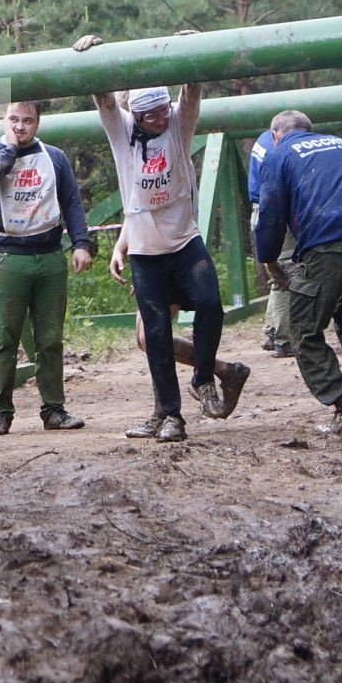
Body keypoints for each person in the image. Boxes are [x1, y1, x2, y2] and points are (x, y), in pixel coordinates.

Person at [83, 70, 248, 442]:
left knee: (209, 305)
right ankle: (170, 415)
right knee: (154, 335)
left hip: (185, 242)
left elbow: (190, 94)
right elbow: (105, 100)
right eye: (151, 115)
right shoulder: (123, 134)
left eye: (163, 110)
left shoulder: (177, 126)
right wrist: (95, 61)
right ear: (136, 118)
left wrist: (191, 60)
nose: (160, 119)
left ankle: (204, 379)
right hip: (146, 253)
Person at [252, 110, 342, 434]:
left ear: (276, 134)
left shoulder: (278, 155)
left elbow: (270, 215)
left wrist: (269, 259)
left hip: (326, 246)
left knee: (303, 331)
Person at [0, 100, 93, 435]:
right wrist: (9, 147)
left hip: (50, 256)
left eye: (27, 120)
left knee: (50, 339)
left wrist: (81, 243)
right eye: (13, 120)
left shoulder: (55, 157)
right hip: (6, 259)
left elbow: (71, 201)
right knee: (4, 339)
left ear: (38, 123)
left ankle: (54, 410)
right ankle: (0, 412)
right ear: (3, 121)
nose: (20, 126)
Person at [249, 130, 296, 358]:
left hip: (261, 209)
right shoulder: (279, 147)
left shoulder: (264, 138)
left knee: (277, 276)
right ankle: (284, 340)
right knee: (285, 278)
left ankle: (271, 333)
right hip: (275, 210)